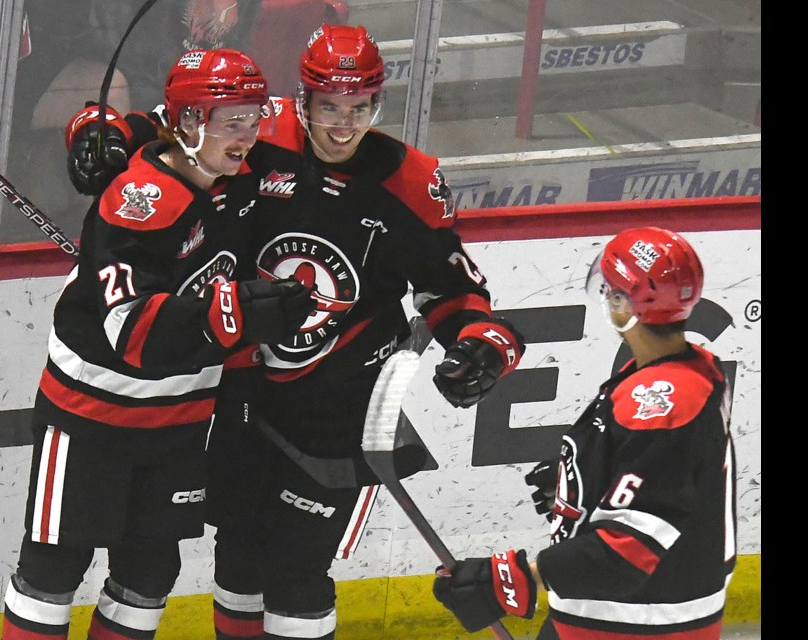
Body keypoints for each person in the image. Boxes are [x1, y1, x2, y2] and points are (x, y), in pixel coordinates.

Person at [63, 23, 528, 640]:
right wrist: (102, 133)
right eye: (328, 106)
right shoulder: (258, 130)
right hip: (244, 394)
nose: (343, 125)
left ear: (377, 104)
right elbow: (167, 123)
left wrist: (481, 343)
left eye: (359, 108)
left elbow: (452, 288)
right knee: (238, 561)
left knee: (297, 573)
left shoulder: (410, 181)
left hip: (337, 406)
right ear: (302, 99)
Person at [0, 48, 316, 640]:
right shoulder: (139, 201)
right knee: (54, 566)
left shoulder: (237, 164)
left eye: (253, 117)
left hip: (183, 415)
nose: (250, 133)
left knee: (150, 571)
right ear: (192, 123)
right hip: (92, 412)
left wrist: (105, 125)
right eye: (235, 120)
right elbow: (132, 334)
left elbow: (316, 125)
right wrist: (236, 316)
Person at [432, 227, 738, 640]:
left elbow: (630, 547)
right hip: (614, 609)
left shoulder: (665, 405)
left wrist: (518, 577)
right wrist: (588, 485)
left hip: (637, 622)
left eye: (611, 289)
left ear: (620, 304)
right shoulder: (689, 369)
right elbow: (673, 484)